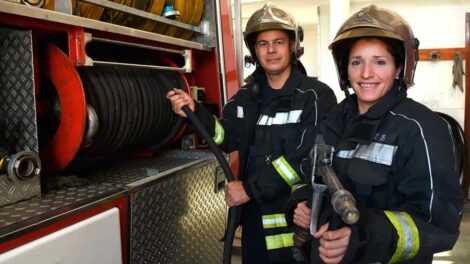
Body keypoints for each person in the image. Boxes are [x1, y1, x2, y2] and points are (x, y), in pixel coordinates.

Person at [287, 5, 464, 264]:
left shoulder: (422, 129)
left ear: (398, 68)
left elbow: (438, 224)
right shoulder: (332, 120)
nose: (366, 73)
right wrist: (300, 204)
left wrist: (361, 237)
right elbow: (307, 175)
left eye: (380, 62)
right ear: (344, 68)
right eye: (357, 62)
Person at [167, 2, 337, 263]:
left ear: (292, 45)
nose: (271, 50)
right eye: (263, 44)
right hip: (254, 224)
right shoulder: (246, 97)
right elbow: (227, 137)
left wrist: (249, 189)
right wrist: (196, 112)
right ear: (254, 50)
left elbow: (307, 158)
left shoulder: (315, 96)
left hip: (295, 224)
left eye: (278, 42)